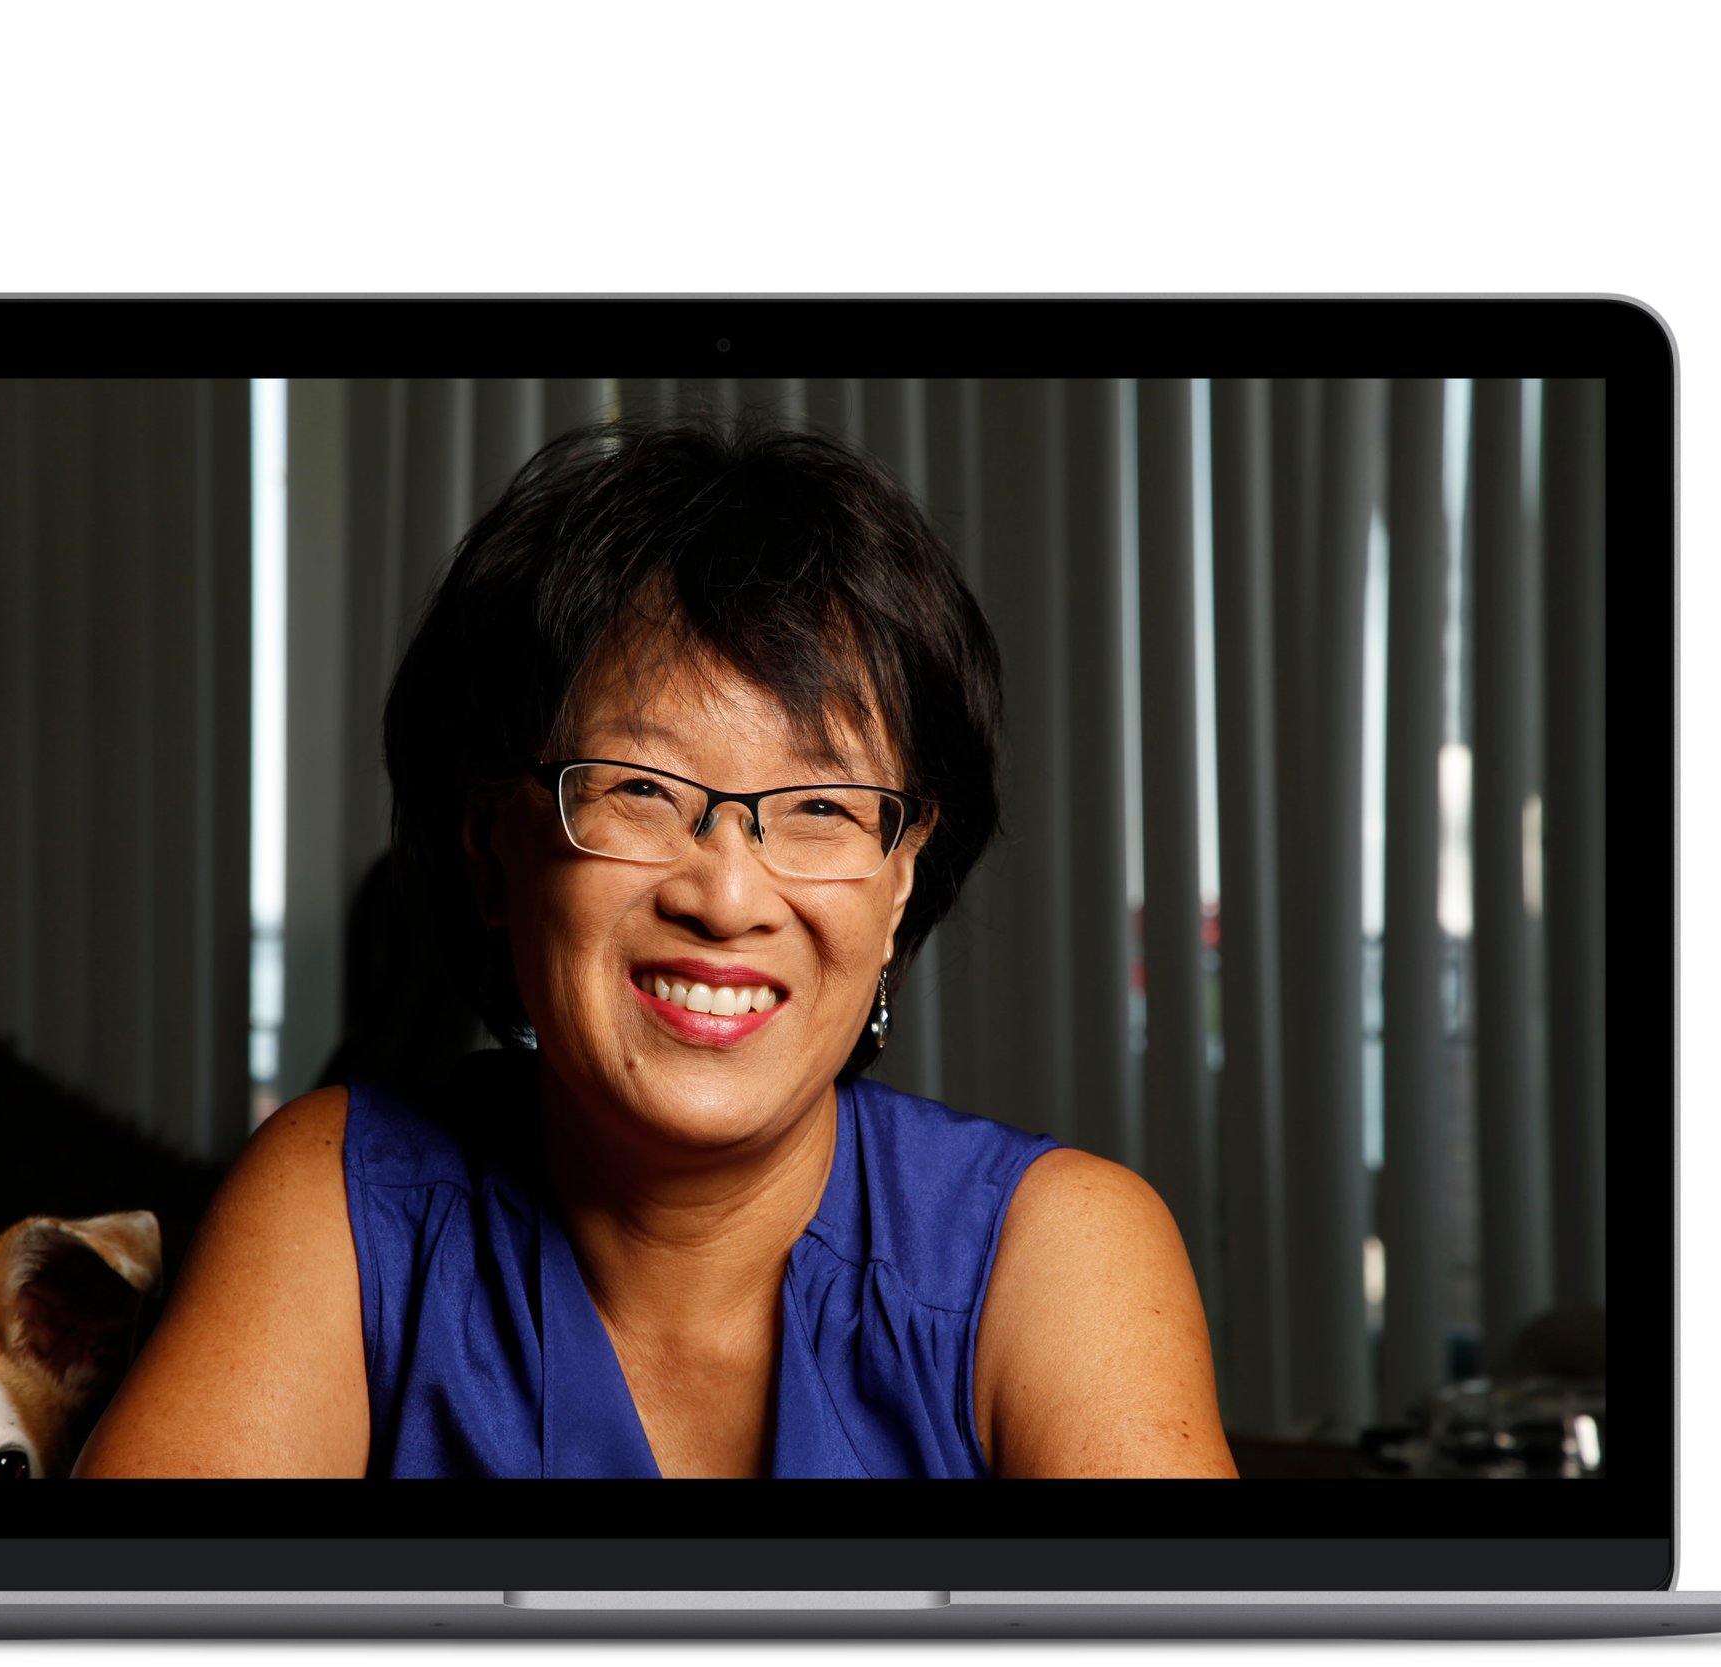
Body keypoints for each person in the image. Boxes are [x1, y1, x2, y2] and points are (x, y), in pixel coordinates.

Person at [76, 421, 1236, 1479]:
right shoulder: (340, 1200)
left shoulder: (1054, 1253)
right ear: (491, 853)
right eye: (638, 786)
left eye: (820, 805)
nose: (726, 896)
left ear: (900, 882)